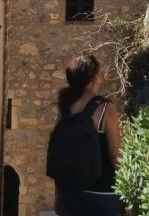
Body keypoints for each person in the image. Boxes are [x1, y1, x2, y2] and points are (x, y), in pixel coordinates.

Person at [46, 53, 125, 215]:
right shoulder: (105, 108)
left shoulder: (65, 109)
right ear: (94, 78)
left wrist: (59, 194)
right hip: (104, 195)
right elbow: (116, 155)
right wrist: (127, 192)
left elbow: (59, 156)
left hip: (71, 195)